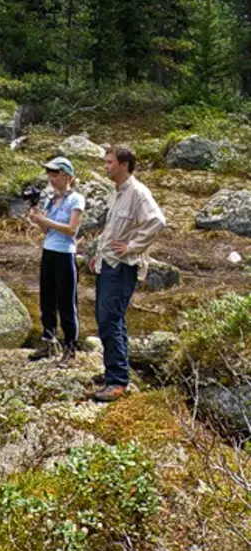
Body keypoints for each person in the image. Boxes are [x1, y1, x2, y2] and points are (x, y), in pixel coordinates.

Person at [88, 145, 166, 402]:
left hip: (123, 266)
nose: (106, 166)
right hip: (108, 263)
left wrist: (133, 247)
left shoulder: (138, 192)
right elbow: (113, 228)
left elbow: (157, 221)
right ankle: (114, 372)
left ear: (124, 165)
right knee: (109, 319)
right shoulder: (118, 192)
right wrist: (98, 255)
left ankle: (118, 381)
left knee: (110, 319)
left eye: (110, 162)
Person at [27, 156, 85, 367]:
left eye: (55, 174)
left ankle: (70, 348)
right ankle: (48, 341)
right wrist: (38, 219)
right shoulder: (51, 199)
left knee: (66, 303)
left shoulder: (76, 199)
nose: (51, 178)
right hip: (48, 251)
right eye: (49, 174)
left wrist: (46, 220)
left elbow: (72, 229)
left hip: (65, 254)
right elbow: (46, 230)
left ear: (66, 175)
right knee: (47, 299)